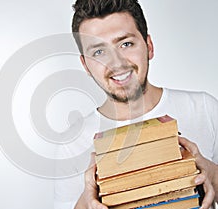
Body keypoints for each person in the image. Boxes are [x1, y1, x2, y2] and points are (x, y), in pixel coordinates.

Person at [54, 0, 218, 209]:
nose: (116, 63)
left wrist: (211, 173)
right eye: (98, 52)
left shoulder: (204, 108)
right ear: (85, 65)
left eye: (126, 44)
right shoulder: (72, 143)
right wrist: (88, 201)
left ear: (149, 46)